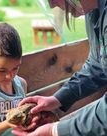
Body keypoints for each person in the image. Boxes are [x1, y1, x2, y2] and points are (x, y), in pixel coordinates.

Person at [12, 0, 107, 136]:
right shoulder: (93, 11)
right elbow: (97, 64)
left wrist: (55, 130)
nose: (51, 5)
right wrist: (57, 99)